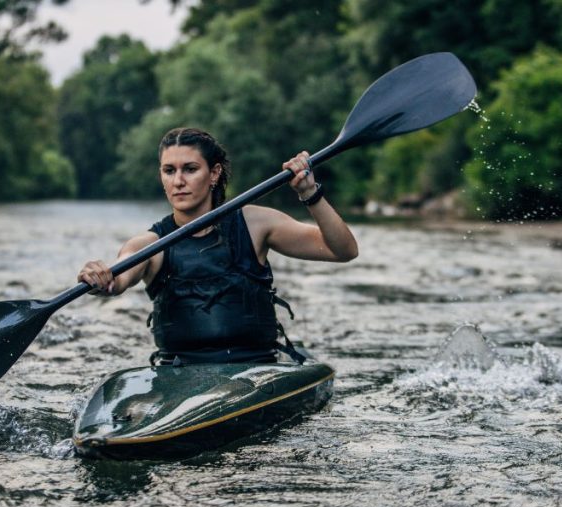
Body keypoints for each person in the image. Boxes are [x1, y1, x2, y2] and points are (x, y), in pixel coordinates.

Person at [78, 127, 358, 365]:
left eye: (190, 169)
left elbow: (343, 250)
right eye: (169, 170)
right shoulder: (149, 245)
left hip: (257, 366)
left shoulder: (255, 223)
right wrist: (101, 278)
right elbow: (119, 278)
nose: (178, 181)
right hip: (179, 372)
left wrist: (310, 192)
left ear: (214, 173)